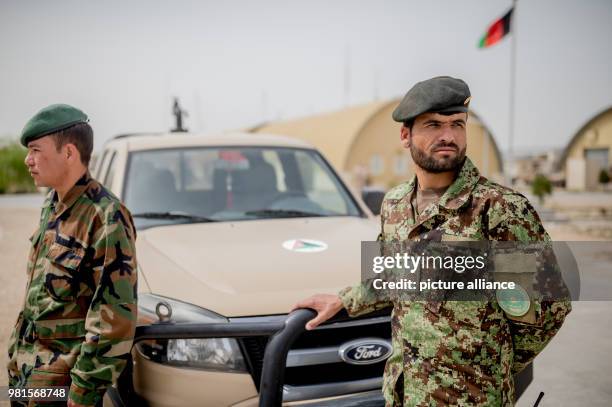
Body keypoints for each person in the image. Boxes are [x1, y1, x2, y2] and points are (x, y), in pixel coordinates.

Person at [292, 76, 571, 406]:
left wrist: (491, 368)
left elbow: (547, 312)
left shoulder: (500, 210)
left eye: (457, 124)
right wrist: (345, 300)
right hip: (403, 392)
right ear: (405, 135)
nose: (448, 136)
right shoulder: (394, 204)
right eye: (433, 124)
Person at [7, 104, 138, 407]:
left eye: (36, 150)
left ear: (68, 153)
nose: (28, 160)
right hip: (28, 378)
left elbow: (112, 321)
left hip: (63, 388)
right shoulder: (53, 203)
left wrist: (83, 394)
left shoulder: (106, 216)